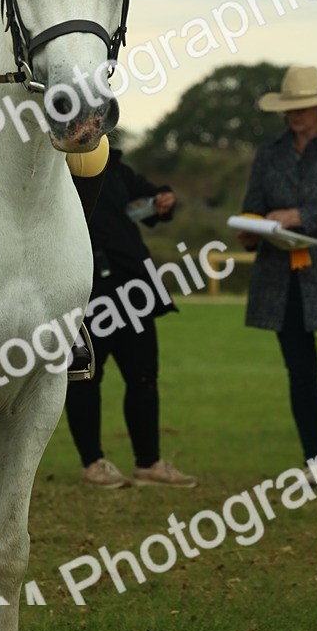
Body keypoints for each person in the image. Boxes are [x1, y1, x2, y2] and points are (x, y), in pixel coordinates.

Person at [64, 147, 198, 488]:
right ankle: (93, 463)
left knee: (143, 377)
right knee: (85, 377)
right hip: (87, 286)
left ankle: (149, 462)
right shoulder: (59, 166)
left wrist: (162, 199)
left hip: (134, 287)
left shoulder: (116, 166)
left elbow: (148, 195)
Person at [236, 65, 317, 481]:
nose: (294, 115)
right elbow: (253, 203)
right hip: (283, 281)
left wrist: (301, 216)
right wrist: (251, 229)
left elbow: (307, 212)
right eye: (288, 108)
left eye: (301, 107)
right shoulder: (269, 153)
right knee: (301, 373)